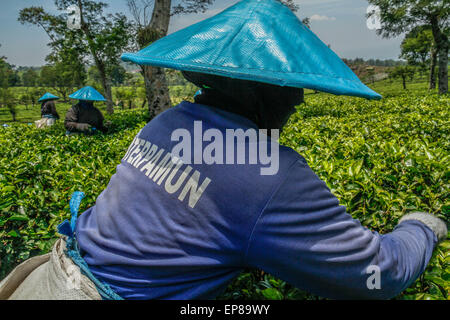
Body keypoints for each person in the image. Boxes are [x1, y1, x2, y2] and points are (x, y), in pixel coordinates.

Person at [0, 0, 446, 300]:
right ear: (258, 91)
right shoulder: (273, 174)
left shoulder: (167, 121)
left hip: (42, 281)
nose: (299, 99)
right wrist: (421, 228)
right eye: (289, 87)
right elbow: (377, 275)